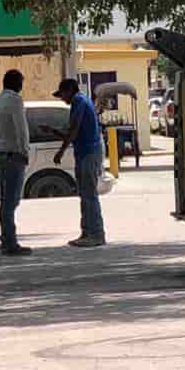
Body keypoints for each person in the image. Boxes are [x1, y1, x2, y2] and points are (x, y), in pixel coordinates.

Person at [51, 78, 105, 247]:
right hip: (84, 152)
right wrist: (55, 132)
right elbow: (74, 133)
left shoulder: (79, 101)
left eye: (62, 95)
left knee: (89, 195)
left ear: (69, 91)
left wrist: (60, 152)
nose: (62, 99)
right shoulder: (82, 100)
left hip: (89, 153)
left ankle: (96, 234)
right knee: (85, 194)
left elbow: (73, 130)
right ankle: (87, 232)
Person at [0, 68, 33, 257]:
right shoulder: (15, 100)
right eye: (21, 82)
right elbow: (21, 128)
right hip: (14, 155)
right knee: (11, 201)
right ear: (16, 83)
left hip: (0, 154)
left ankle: (7, 240)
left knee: (5, 199)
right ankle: (9, 242)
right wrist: (24, 150)